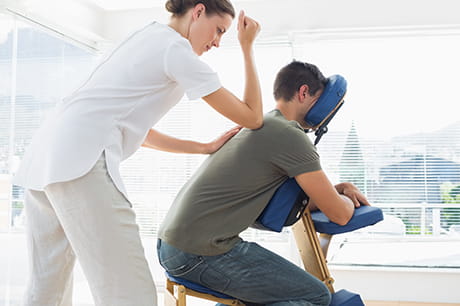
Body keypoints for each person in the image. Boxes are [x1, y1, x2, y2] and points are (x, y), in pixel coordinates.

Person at [12, 1, 263, 305]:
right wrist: (247, 47)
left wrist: (202, 147)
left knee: (46, 289)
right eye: (219, 30)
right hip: (81, 160)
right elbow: (251, 117)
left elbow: (134, 130)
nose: (217, 42)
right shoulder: (176, 50)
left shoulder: (145, 36)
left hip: (45, 158)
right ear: (197, 12)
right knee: (132, 294)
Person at [158, 60, 371, 306]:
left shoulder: (260, 124)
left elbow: (290, 200)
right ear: (303, 92)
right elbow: (340, 214)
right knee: (316, 295)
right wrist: (348, 193)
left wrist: (336, 190)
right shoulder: (290, 135)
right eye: (319, 98)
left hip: (174, 246)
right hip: (200, 253)